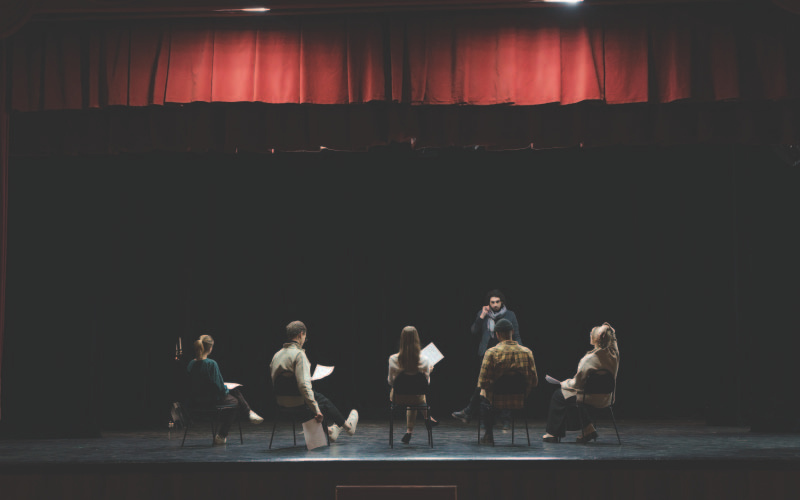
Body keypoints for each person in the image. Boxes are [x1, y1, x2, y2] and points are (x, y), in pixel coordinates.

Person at [270, 321, 359, 442]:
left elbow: (278, 381)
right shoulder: (299, 355)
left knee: (314, 398)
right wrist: (317, 410)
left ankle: (330, 431)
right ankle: (348, 427)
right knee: (320, 400)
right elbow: (304, 386)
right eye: (305, 337)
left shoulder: (277, 355)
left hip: (281, 401)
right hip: (298, 401)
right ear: (301, 334)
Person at [452, 289, 522, 427]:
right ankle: (486, 418)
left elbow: (516, 334)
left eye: (497, 302)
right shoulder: (483, 314)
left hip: (505, 352)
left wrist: (520, 349)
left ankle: (504, 419)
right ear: (488, 303)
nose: (495, 305)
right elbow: (474, 330)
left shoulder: (509, 314)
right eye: (492, 302)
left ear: (501, 302)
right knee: (485, 384)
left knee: (503, 383)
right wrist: (482, 316)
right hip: (487, 353)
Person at [542, 322, 619, 443]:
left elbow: (577, 385)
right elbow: (613, 337)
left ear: (597, 338)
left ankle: (552, 434)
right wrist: (606, 329)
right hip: (607, 398)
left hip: (590, 398)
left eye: (592, 333)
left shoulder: (589, 359)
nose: (590, 333)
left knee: (559, 395)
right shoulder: (614, 354)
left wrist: (564, 383)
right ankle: (588, 429)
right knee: (570, 397)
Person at [186, 334, 264, 445]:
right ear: (210, 348)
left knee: (235, 391)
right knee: (235, 401)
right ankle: (222, 435)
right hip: (210, 400)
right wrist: (227, 388)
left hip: (195, 401)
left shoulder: (191, 364)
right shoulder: (211, 364)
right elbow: (220, 389)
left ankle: (249, 413)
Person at [475, 318, 537, 444]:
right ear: (512, 332)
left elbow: (482, 382)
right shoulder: (527, 352)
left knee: (483, 394)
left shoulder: (491, 353)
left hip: (495, 400)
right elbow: (534, 381)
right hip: (519, 399)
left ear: (497, 334)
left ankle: (488, 435)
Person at [388, 326, 436, 444]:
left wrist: (400, 378)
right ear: (417, 339)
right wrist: (428, 372)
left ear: (402, 339)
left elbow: (390, 382)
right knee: (417, 395)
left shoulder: (393, 359)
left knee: (411, 393)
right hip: (418, 399)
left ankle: (410, 431)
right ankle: (427, 418)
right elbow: (426, 384)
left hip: (398, 398)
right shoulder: (425, 360)